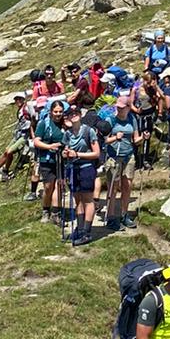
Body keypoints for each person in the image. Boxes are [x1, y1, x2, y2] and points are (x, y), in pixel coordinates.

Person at [61, 103, 101, 245]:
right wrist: (65, 153)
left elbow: (97, 153)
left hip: (86, 168)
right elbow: (65, 150)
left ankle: (87, 232)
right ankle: (80, 229)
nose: (74, 115)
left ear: (80, 114)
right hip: (73, 168)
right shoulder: (67, 134)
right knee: (77, 199)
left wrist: (77, 154)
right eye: (71, 114)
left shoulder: (88, 131)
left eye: (76, 113)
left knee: (88, 199)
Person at [98, 89, 138, 230]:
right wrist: (116, 137)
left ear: (128, 107)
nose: (119, 110)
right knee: (112, 188)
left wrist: (143, 138)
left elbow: (136, 138)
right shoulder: (110, 120)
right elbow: (104, 141)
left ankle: (124, 214)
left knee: (127, 186)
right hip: (113, 158)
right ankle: (111, 217)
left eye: (122, 108)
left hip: (128, 156)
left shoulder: (132, 119)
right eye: (118, 107)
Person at [32, 97, 68, 225]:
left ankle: (55, 213)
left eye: (60, 112)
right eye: (56, 112)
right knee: (48, 186)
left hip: (61, 159)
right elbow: (36, 141)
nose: (58, 114)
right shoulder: (44, 124)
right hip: (46, 159)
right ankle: (45, 210)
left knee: (59, 185)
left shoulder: (65, 124)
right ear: (51, 112)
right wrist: (50, 147)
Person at [0, 92, 32, 182]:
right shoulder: (20, 109)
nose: (17, 101)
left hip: (25, 135)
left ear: (24, 99)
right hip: (18, 134)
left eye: (20, 99)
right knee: (6, 152)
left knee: (9, 151)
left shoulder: (26, 108)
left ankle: (5, 171)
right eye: (16, 99)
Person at [132, 69, 163, 170]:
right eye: (147, 82)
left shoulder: (152, 89)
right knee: (136, 138)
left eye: (150, 82)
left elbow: (159, 100)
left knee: (146, 137)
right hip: (138, 116)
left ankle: (145, 159)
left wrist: (156, 88)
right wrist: (136, 110)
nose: (148, 85)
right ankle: (136, 159)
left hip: (148, 116)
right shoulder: (136, 89)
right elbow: (130, 103)